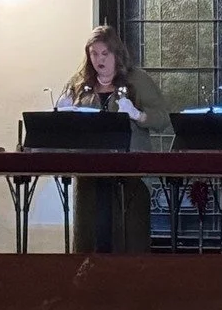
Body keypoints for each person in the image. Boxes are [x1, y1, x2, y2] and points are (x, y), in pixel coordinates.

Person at [57, 25, 169, 252]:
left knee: (129, 241)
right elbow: (61, 125)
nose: (99, 59)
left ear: (116, 53)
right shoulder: (79, 84)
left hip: (130, 174)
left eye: (104, 54)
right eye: (94, 54)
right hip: (90, 174)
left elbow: (164, 119)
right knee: (91, 240)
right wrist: (62, 112)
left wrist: (138, 115)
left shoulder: (137, 80)